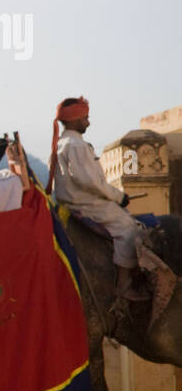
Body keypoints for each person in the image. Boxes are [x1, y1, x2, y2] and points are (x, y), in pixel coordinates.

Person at [47, 96, 148, 301]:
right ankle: (124, 285)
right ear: (75, 120)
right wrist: (118, 197)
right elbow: (90, 182)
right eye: (85, 118)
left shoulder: (62, 144)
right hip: (85, 203)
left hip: (75, 201)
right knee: (128, 228)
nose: (88, 122)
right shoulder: (75, 145)